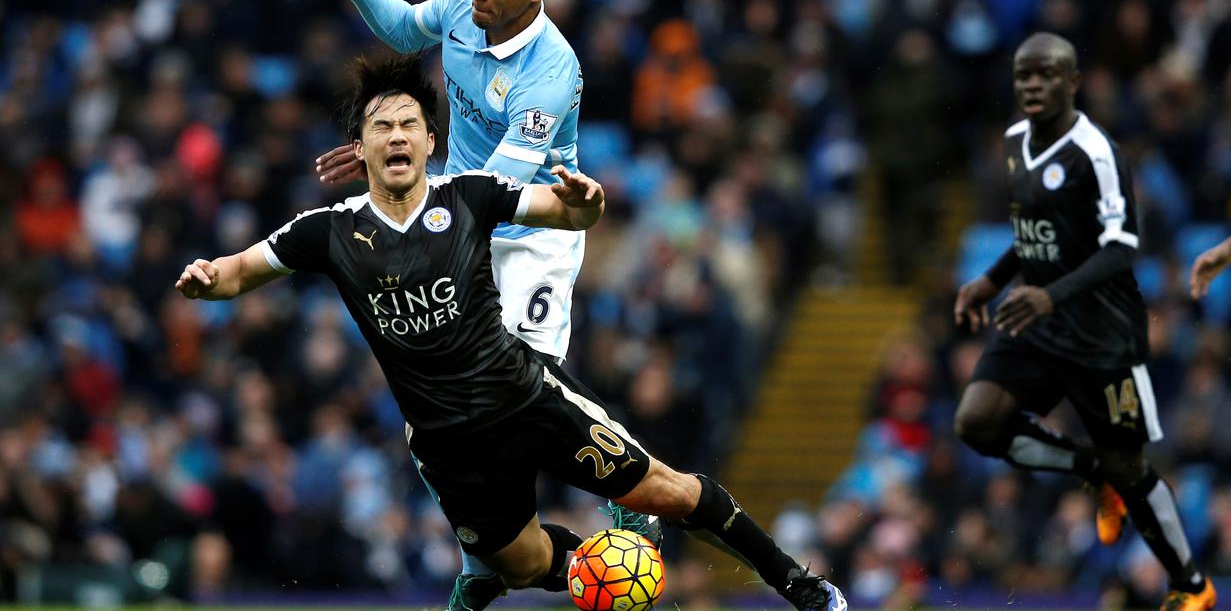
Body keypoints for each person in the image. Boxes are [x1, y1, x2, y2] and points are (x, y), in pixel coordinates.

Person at [174, 54, 846, 611]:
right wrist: (209, 278)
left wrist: (587, 203)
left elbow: (564, 209)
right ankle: (577, 570)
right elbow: (238, 272)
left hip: (523, 395)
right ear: (362, 148)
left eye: (410, 122)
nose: (399, 135)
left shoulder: (468, 195)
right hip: (447, 442)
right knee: (521, 565)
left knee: (665, 492)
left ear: (430, 141)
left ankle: (800, 585)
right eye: (383, 126)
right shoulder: (326, 230)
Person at [291, 0, 644, 609]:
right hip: (461, 214)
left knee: (527, 391)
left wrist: (391, 170)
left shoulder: (551, 72)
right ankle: (483, 559)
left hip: (529, 228)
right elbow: (403, 29)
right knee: (437, 417)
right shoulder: (459, 2)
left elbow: (496, 194)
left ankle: (629, 492)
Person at [952, 32, 1215, 611]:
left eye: (1047, 75)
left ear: (1073, 82)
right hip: (1037, 319)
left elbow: (1122, 247)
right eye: (1024, 76)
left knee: (1132, 464)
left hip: (1104, 333)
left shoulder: (1097, 150)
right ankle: (1089, 469)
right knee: (976, 423)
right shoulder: (1016, 140)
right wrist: (990, 281)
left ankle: (1192, 586)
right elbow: (1035, 235)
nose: (1033, 86)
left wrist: (1050, 297)